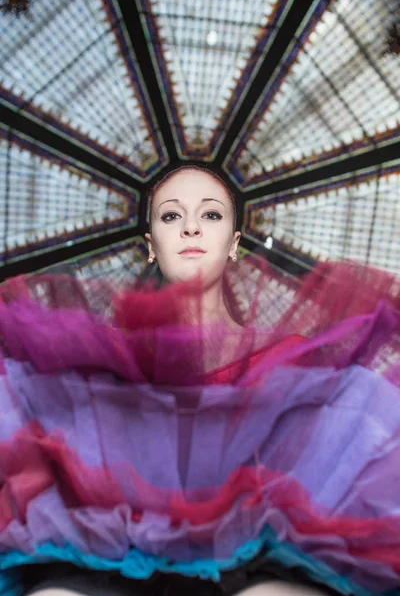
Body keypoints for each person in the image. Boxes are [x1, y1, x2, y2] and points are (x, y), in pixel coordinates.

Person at [1, 165, 400, 596]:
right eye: (171, 216)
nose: (191, 227)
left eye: (210, 215)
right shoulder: (102, 361)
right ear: (152, 245)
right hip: (111, 558)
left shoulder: (290, 359)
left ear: (233, 242)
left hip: (259, 557)